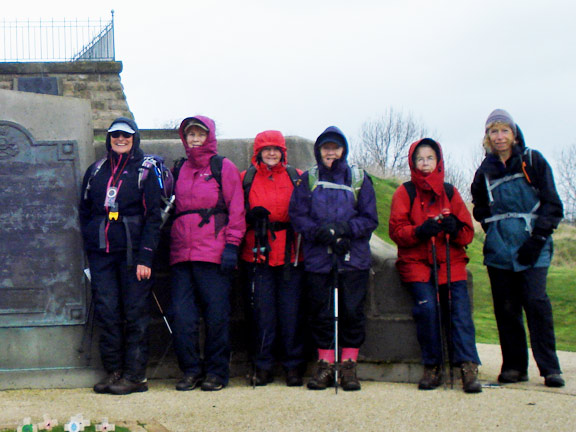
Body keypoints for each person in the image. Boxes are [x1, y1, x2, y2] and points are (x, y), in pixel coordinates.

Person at [471, 109, 565, 388]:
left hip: (532, 244)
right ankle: (514, 367)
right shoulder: (483, 172)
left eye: (504, 131)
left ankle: (550, 368)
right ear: (487, 136)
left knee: (536, 303)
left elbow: (553, 204)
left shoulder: (532, 161)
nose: (499, 137)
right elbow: (479, 208)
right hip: (499, 250)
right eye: (493, 131)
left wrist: (537, 239)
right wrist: (494, 228)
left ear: (514, 134)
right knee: (506, 308)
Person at [389, 138, 482, 393]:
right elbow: (396, 231)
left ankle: (468, 366)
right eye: (420, 159)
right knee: (427, 310)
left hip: (450, 261)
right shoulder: (404, 192)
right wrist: (420, 230)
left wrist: (454, 229)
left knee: (459, 310)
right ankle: (433, 365)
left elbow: (467, 233)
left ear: (438, 161)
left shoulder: (450, 192)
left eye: (430, 158)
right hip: (417, 262)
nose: (425, 163)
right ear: (413, 162)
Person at [289, 126, 378, 391]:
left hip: (353, 257)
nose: (331, 152)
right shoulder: (309, 179)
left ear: (343, 150)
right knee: (321, 313)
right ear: (319, 151)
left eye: (335, 148)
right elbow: (298, 215)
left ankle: (349, 365)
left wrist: (345, 231)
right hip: (319, 257)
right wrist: (321, 233)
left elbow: (369, 217)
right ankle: (326, 365)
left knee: (352, 312)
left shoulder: (359, 179)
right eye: (326, 148)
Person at [79, 117, 162, 395]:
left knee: (135, 314)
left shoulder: (145, 171)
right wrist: (91, 243)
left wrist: (146, 258)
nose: (120, 139)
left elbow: (154, 217)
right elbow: (85, 210)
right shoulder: (96, 170)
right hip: (102, 254)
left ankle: (136, 376)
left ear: (134, 138)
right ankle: (114, 371)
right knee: (107, 312)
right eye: (115, 135)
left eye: (126, 135)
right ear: (109, 138)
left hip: (133, 255)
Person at [169, 115, 245, 391]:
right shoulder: (179, 169)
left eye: (200, 133)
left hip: (213, 253)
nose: (195, 139)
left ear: (209, 135)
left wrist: (232, 246)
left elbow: (237, 209)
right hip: (181, 254)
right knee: (181, 315)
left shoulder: (222, 167)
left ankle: (216, 372)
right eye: (190, 134)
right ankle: (191, 370)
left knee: (217, 317)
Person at [239, 130, 306, 387]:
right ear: (257, 152)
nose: (271, 153)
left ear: (283, 152)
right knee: (262, 314)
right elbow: (235, 211)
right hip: (258, 253)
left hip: (291, 253)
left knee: (291, 313)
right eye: (266, 149)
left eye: (275, 149)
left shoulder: (296, 177)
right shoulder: (246, 179)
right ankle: (262, 365)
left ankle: (293, 366)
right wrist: (250, 216)